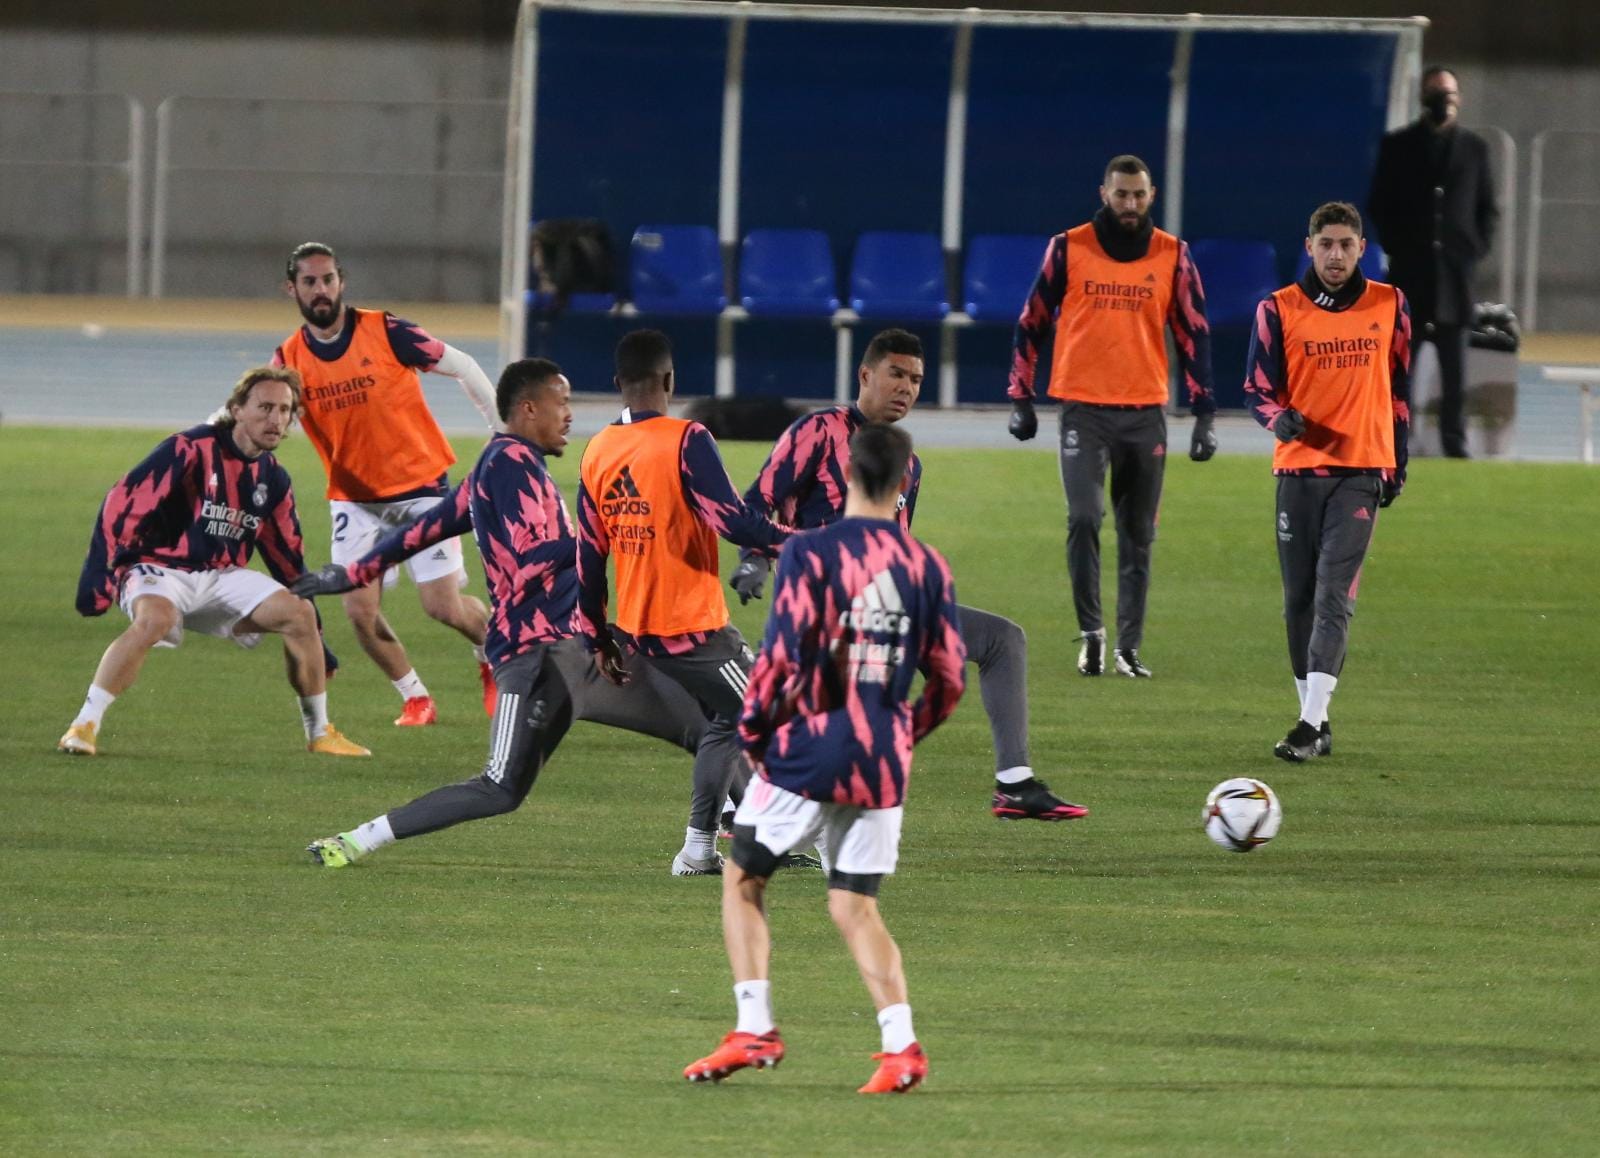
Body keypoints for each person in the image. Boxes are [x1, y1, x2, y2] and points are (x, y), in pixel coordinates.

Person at [294, 359, 729, 867]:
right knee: (500, 787)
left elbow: (425, 528)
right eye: (561, 402)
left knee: (707, 720)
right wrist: (601, 532)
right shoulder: (508, 466)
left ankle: (741, 839)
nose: (570, 415)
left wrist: (354, 572)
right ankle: (356, 840)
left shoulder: (503, 465)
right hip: (536, 655)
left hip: (583, 647)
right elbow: (528, 563)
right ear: (528, 409)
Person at [683, 424, 966, 1094]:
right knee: (853, 906)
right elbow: (950, 680)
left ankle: (754, 1026)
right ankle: (902, 1048)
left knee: (744, 880)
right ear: (905, 482)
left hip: (806, 752)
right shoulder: (928, 566)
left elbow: (780, 660)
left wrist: (754, 738)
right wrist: (904, 734)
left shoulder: (811, 553)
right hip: (879, 764)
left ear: (844, 473)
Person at [731, 328, 1086, 823]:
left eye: (916, 380)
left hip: (891, 607)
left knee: (1002, 640)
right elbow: (762, 501)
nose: (906, 388)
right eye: (896, 374)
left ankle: (1015, 784)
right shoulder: (820, 431)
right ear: (865, 375)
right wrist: (756, 557)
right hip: (831, 612)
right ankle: (752, 811)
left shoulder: (908, 463)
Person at [60, 367, 368, 758]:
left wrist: (318, 637)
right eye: (265, 407)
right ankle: (84, 725)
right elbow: (123, 502)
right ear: (237, 409)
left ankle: (320, 733)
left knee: (300, 614)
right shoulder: (190, 449)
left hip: (222, 575)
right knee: (153, 621)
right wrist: (101, 576)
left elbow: (285, 555)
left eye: (285, 410)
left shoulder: (273, 478)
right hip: (160, 568)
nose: (275, 419)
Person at [576, 330, 791, 876]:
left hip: (641, 633)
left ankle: (700, 849)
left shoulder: (597, 450)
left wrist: (598, 636)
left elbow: (590, 554)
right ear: (671, 380)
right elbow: (732, 521)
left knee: (725, 721)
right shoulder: (686, 438)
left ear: (617, 384)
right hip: (694, 632)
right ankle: (826, 849)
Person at [1006, 154, 1217, 679]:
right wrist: (1020, 398)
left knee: (1138, 533)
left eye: (1139, 195)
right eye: (1121, 194)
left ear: (1152, 196)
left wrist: (1204, 413)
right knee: (1083, 517)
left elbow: (1195, 333)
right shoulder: (1069, 247)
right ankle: (1093, 635)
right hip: (1083, 408)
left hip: (1145, 412)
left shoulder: (1173, 255)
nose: (1130, 204)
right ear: (1103, 193)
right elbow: (1030, 321)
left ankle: (1128, 647)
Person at [273, 241, 500, 726]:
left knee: (443, 608)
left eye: (328, 279)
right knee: (359, 611)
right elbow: (259, 409)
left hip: (420, 490)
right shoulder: (289, 360)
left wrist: (501, 428)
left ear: (342, 281)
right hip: (354, 501)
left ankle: (490, 660)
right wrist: (215, 439)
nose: (321, 289)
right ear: (292, 288)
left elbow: (460, 363)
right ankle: (416, 697)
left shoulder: (385, 331)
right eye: (310, 282)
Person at [1243, 201, 1411, 761]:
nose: (1336, 255)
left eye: (1346, 244)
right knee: (1299, 600)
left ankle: (1309, 723)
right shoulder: (1279, 309)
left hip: (1360, 471)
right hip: (1298, 469)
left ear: (1362, 249)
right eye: (1326, 244)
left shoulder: (1390, 305)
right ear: (1309, 247)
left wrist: (1398, 461)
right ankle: (1313, 715)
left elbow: (1398, 389)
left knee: (1334, 594)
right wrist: (1277, 418)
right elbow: (1256, 389)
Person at [1367, 66, 1499, 459]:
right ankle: (1392, 441)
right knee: (1399, 371)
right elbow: (1380, 204)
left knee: (1455, 374)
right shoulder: (1398, 146)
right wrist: (1397, 245)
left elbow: (1486, 209)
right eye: (1437, 93)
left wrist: (1473, 248)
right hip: (1410, 274)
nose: (1445, 100)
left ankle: (1454, 443)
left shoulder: (1475, 149)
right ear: (1424, 97)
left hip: (1456, 278)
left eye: (1450, 93)